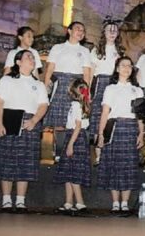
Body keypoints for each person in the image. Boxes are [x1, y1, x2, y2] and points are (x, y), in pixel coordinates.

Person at [0, 50, 49, 211]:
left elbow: (43, 105)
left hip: (30, 122)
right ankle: (6, 199)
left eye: (32, 57)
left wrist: (35, 120)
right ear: (18, 62)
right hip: (10, 119)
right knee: (7, 161)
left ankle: (21, 200)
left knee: (26, 163)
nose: (31, 59)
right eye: (27, 57)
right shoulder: (7, 80)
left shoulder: (38, 84)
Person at [96, 56, 145, 212]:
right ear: (117, 69)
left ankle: (125, 203)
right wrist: (101, 133)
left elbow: (140, 115)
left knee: (129, 165)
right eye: (123, 65)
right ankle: (115, 202)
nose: (126, 68)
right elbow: (105, 112)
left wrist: (141, 133)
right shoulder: (110, 88)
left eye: (129, 66)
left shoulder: (137, 90)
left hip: (130, 127)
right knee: (114, 164)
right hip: (114, 127)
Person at [44, 21, 93, 161]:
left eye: (83, 30)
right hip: (59, 83)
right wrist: (45, 87)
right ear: (69, 31)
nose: (80, 32)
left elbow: (86, 74)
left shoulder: (84, 51)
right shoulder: (58, 48)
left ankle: (69, 152)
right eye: (78, 28)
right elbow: (50, 69)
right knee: (58, 121)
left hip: (76, 86)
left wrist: (86, 94)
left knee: (73, 119)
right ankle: (56, 152)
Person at [53, 79, 93, 213]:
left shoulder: (76, 105)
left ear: (73, 91)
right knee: (69, 172)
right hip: (75, 136)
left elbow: (78, 126)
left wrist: (70, 144)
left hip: (75, 138)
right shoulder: (83, 104)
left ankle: (80, 203)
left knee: (74, 172)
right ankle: (68, 202)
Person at [89, 21, 124, 164]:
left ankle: (109, 152)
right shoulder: (96, 50)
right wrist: (89, 92)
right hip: (100, 83)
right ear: (104, 32)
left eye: (114, 30)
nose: (112, 33)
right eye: (109, 30)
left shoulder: (120, 51)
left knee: (112, 116)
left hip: (114, 83)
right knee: (98, 117)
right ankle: (98, 153)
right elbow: (91, 72)